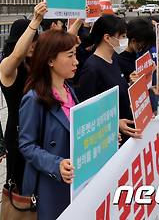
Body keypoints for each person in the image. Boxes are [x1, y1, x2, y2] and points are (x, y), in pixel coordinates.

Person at [18, 30, 79, 220]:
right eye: (70, 56)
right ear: (50, 60)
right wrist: (56, 164)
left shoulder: (68, 90)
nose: (76, 61)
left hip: (73, 182)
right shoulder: (33, 99)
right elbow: (26, 145)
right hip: (49, 186)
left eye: (75, 54)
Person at [0, 2, 47, 193]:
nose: (34, 46)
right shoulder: (8, 67)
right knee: (18, 184)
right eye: (31, 42)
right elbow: (18, 54)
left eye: (36, 42)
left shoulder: (32, 65)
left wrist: (77, 22)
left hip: (37, 132)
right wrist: (35, 21)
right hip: (17, 135)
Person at [75, 15, 141, 143]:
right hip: (108, 139)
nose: (125, 40)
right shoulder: (92, 68)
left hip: (126, 134)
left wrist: (130, 83)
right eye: (122, 36)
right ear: (107, 38)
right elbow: (86, 112)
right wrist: (114, 123)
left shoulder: (114, 59)